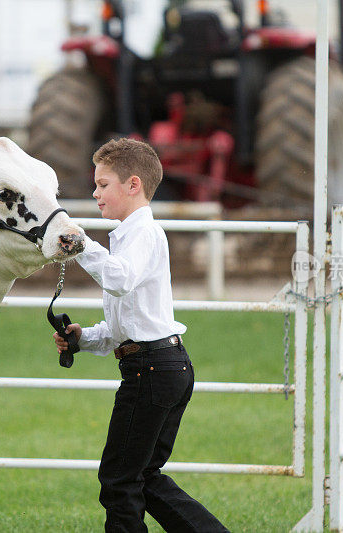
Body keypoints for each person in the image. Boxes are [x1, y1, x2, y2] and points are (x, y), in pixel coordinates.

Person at [53, 138, 229, 532]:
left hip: (150, 371)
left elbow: (118, 279)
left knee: (119, 481)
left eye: (102, 184)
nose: (95, 193)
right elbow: (126, 327)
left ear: (133, 185)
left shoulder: (143, 235)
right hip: (161, 366)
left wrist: (77, 242)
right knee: (141, 477)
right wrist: (83, 337)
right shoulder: (130, 238)